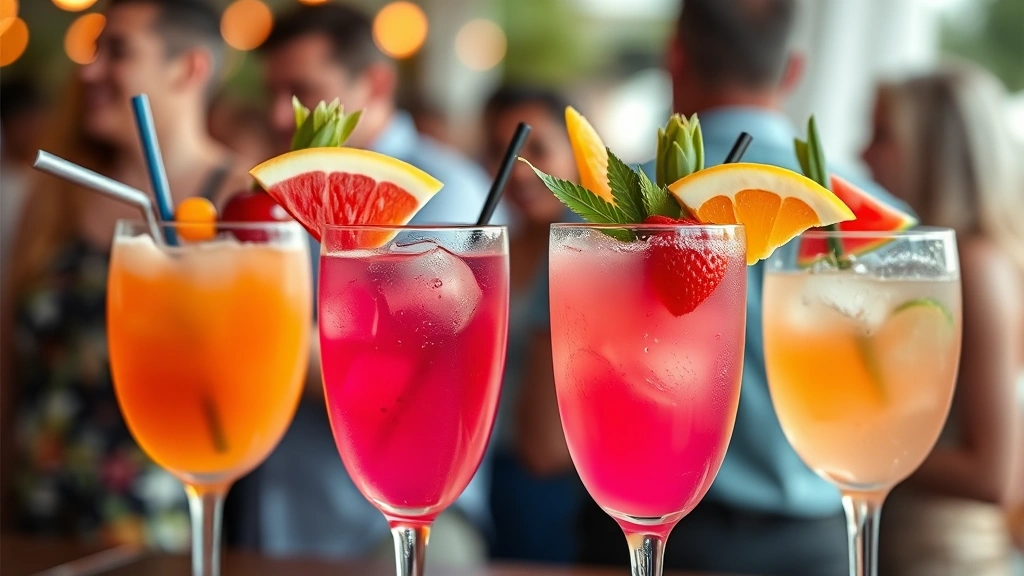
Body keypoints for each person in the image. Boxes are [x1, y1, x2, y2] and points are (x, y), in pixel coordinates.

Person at [517, 1, 911, 574]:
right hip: (818, 547)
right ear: (792, 69)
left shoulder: (604, 215)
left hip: (639, 537)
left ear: (674, 57)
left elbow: (542, 442)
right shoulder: (882, 228)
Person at [241, 3, 500, 563]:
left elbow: (391, 365)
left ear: (376, 82)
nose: (281, 116)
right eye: (272, 95)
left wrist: (238, 340)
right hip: (277, 522)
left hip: (404, 525)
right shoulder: (282, 193)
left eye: (302, 90)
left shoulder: (446, 194)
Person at [2, 0, 249, 547]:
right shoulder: (55, 194)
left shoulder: (243, 201)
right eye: (93, 52)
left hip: (165, 518)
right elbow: (9, 362)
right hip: (37, 512)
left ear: (189, 67)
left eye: (117, 52)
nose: (88, 72)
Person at [862, 63, 1024, 576]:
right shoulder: (920, 264)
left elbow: (995, 475)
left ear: (935, 150)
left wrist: (851, 448)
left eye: (882, 135)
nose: (863, 152)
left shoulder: (976, 267)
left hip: (945, 561)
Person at [481, 86, 584, 563]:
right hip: (481, 466)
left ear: (576, 153)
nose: (520, 170)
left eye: (537, 149)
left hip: (553, 475)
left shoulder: (595, 255)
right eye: (501, 152)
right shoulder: (486, 247)